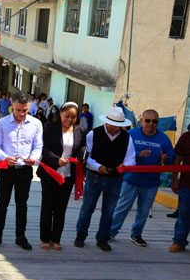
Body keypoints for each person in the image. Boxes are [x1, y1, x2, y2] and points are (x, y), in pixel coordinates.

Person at [109, 109, 174, 247]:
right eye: (148, 120)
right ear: (141, 120)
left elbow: (172, 159)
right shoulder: (131, 134)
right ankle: (110, 232)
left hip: (151, 182)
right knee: (122, 208)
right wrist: (137, 154)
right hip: (131, 179)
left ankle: (136, 234)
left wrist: (166, 158)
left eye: (154, 121)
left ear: (158, 122)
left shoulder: (163, 138)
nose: (151, 124)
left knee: (143, 212)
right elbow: (119, 153)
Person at [75, 107, 135, 252]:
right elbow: (86, 157)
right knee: (87, 208)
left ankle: (102, 238)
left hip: (115, 178)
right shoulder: (93, 134)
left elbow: (131, 159)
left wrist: (124, 165)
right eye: (113, 124)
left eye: (118, 126)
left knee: (109, 210)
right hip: (95, 176)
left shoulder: (127, 138)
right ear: (107, 122)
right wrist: (97, 166)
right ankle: (81, 235)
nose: (116, 128)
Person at [0, 92, 43, 250]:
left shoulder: (36, 124)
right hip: (6, 169)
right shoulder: (2, 123)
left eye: (25, 110)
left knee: (22, 204)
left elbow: (38, 146)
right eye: (19, 110)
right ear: (12, 104)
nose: (21, 114)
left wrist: (33, 158)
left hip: (25, 171)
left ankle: (21, 236)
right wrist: (5, 157)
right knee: (2, 203)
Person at [38, 102, 86, 251]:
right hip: (50, 172)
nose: (69, 119)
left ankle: (56, 239)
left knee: (61, 208)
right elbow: (44, 149)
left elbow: (83, 147)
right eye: (67, 116)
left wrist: (81, 156)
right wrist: (56, 159)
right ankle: (45, 238)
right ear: (60, 114)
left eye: (73, 117)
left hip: (68, 175)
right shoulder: (50, 127)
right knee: (47, 206)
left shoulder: (80, 130)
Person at [169, 123, 190, 252]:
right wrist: (174, 180)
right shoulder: (186, 137)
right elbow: (177, 159)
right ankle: (179, 241)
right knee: (184, 214)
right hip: (186, 185)